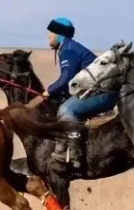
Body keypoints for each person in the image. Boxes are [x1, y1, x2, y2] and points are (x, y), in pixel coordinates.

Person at [40, 17, 106, 168]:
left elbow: (67, 78)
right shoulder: (68, 47)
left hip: (100, 92)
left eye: (51, 32)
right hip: (93, 90)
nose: (48, 36)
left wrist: (49, 91)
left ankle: (75, 152)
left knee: (66, 109)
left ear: (59, 34)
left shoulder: (69, 50)